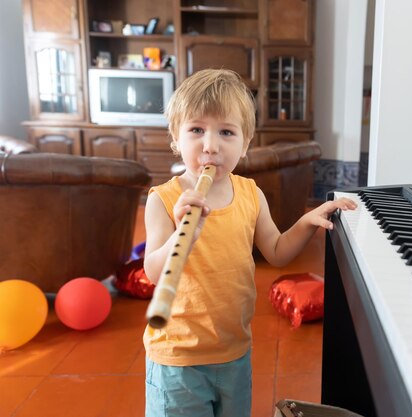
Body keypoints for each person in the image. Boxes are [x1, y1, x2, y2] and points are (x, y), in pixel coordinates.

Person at [142, 68, 357, 417]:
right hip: (178, 359)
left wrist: (306, 222)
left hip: (234, 354)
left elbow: (277, 250)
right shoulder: (163, 200)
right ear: (175, 137)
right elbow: (153, 272)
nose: (210, 145)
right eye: (196, 130)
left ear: (245, 145)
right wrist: (183, 233)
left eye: (226, 132)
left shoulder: (250, 194)